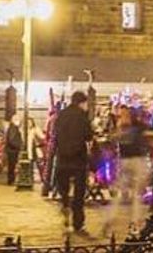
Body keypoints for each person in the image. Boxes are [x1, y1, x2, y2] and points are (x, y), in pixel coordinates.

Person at [53, 90, 94, 233]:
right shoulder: (83, 116)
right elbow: (89, 136)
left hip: (63, 156)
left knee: (63, 186)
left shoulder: (62, 115)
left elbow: (56, 134)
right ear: (82, 102)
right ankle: (78, 221)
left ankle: (65, 203)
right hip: (78, 158)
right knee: (79, 191)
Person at [109, 105, 149, 235]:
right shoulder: (122, 127)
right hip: (126, 161)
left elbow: (145, 137)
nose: (122, 117)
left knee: (136, 195)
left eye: (124, 114)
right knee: (121, 193)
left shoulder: (137, 127)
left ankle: (135, 223)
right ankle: (111, 220)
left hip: (137, 161)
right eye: (120, 115)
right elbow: (114, 141)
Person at [4, 114, 23, 185]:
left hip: (11, 149)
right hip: (12, 150)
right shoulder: (13, 128)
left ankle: (11, 180)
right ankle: (11, 180)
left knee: (12, 166)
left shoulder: (12, 128)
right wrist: (18, 146)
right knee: (12, 166)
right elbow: (11, 140)